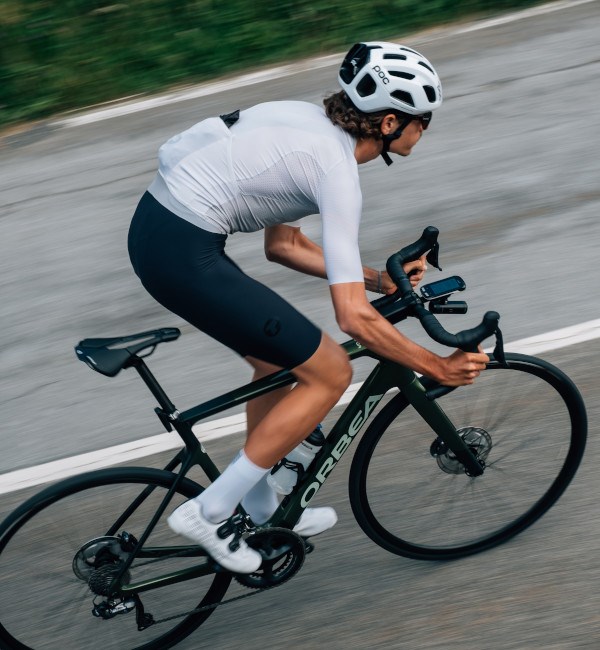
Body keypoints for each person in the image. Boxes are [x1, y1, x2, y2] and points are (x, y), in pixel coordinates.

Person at [127, 41, 489, 574]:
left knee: (274, 362)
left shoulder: (309, 122)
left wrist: (375, 279)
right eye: (422, 121)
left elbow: (284, 245)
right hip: (183, 252)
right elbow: (351, 319)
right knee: (330, 371)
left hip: (160, 233)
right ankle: (209, 510)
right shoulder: (336, 170)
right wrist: (436, 366)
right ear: (389, 122)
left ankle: (260, 504)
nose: (424, 130)